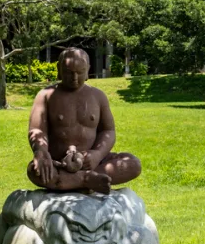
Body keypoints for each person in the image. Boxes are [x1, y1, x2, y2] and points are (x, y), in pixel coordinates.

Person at [26, 48, 141, 194]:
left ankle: (70, 182)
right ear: (59, 70)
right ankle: (86, 180)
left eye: (80, 72)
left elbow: (108, 131)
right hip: (58, 163)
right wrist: (41, 152)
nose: (74, 77)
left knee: (133, 164)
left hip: (93, 163)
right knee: (34, 171)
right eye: (68, 72)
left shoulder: (98, 96)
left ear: (88, 71)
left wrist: (97, 154)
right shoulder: (46, 96)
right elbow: (37, 130)